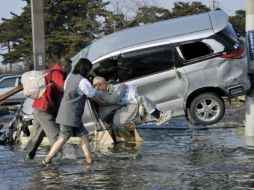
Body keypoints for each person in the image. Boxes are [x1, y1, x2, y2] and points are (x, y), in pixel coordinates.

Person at [42, 58, 103, 165]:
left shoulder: (70, 77)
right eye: (89, 69)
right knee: (63, 138)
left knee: (83, 135)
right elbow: (92, 95)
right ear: (86, 69)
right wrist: (103, 102)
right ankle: (46, 160)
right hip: (71, 114)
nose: (90, 72)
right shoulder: (83, 81)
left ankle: (89, 160)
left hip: (66, 112)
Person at [26, 58, 72, 159]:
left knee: (36, 134)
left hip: (38, 106)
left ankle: (28, 156)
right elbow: (65, 87)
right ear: (65, 66)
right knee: (54, 134)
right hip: (45, 108)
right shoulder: (57, 73)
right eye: (70, 68)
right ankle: (64, 157)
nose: (70, 70)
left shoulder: (49, 71)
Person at [92, 76, 173, 127]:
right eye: (104, 83)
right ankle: (159, 117)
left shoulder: (99, 92)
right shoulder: (98, 93)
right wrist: (121, 89)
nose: (106, 85)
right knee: (140, 99)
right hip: (114, 118)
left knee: (140, 101)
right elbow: (113, 99)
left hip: (116, 114)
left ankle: (158, 116)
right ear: (99, 85)